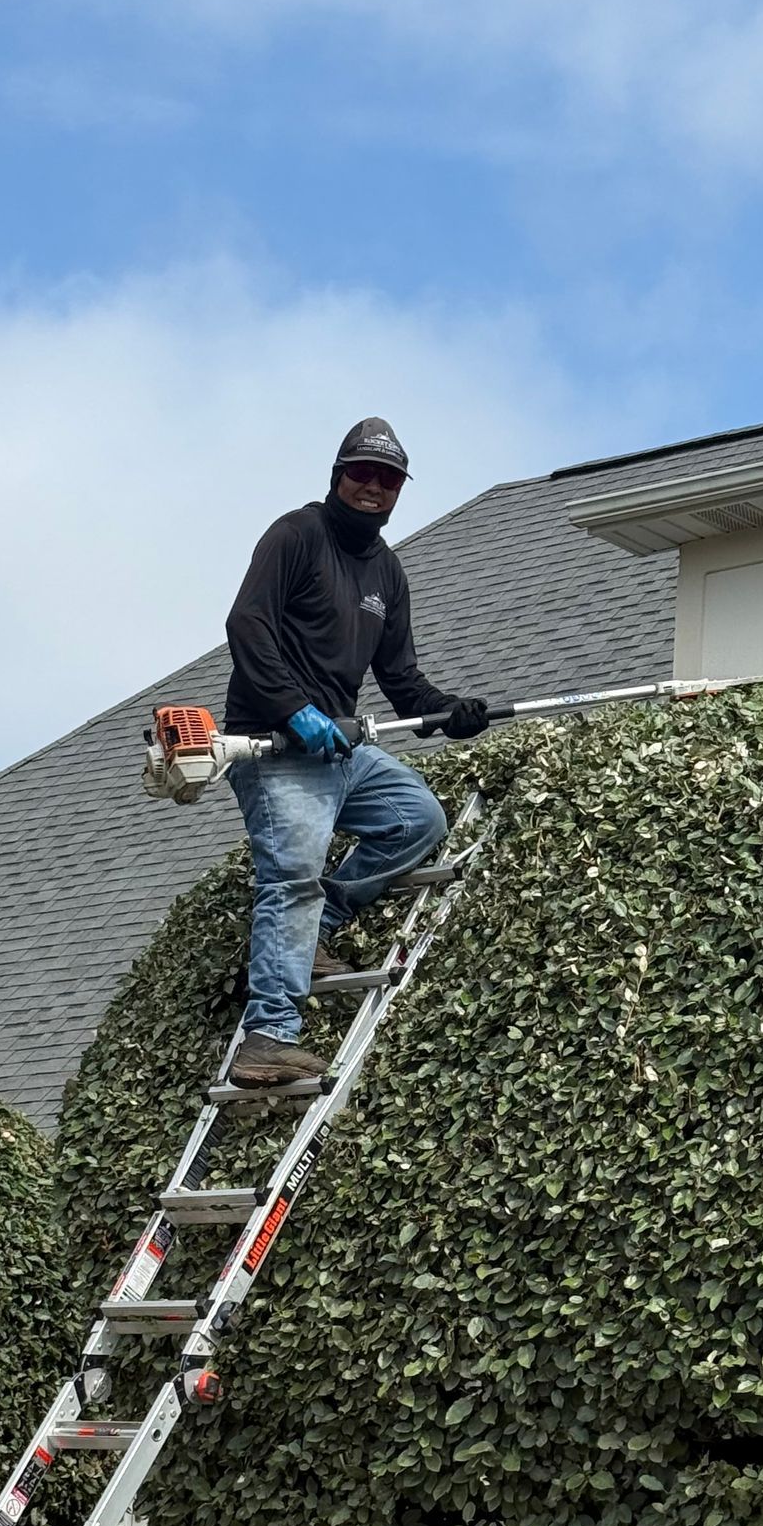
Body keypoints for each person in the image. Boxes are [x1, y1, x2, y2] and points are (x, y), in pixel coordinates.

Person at [222, 418, 491, 1087]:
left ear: (400, 489)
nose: (373, 487)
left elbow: (402, 681)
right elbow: (245, 625)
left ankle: (319, 929)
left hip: (340, 749)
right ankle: (267, 1037)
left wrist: (449, 712)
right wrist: (295, 710)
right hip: (276, 744)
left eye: (387, 478)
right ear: (337, 475)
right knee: (292, 875)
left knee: (417, 818)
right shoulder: (297, 535)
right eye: (361, 473)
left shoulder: (387, 573)